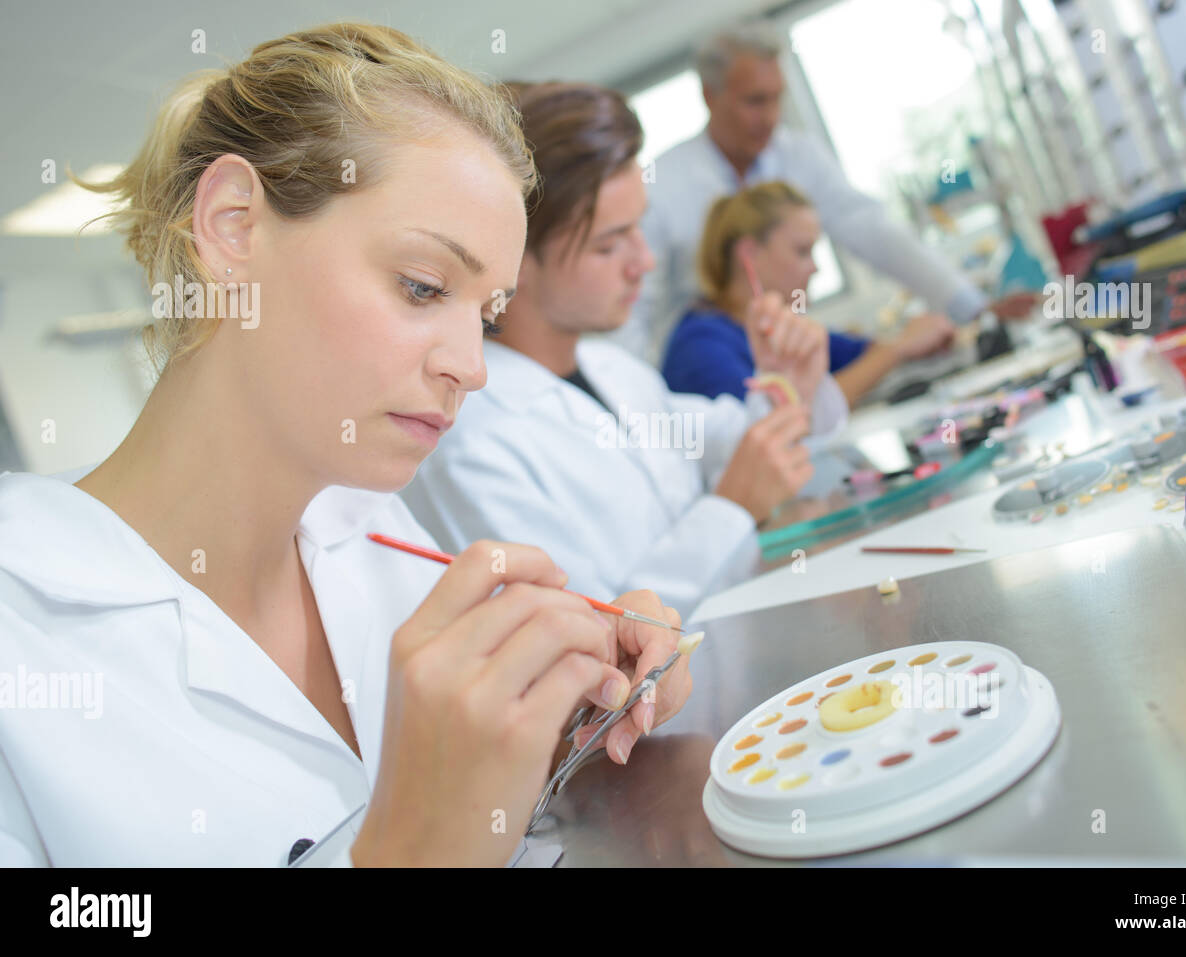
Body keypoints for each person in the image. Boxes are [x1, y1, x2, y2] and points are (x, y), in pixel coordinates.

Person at [0, 22, 693, 868]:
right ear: (232, 228)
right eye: (422, 285)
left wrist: (559, 731)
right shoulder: (22, 629)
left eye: (485, 314)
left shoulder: (377, 538)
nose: (472, 367)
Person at [401, 82, 848, 621]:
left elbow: (732, 441)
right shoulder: (470, 445)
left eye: (639, 229)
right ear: (510, 255)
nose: (644, 262)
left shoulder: (613, 370)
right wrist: (732, 509)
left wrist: (786, 383)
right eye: (610, 244)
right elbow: (590, 635)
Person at [613, 19, 1040, 365]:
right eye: (755, 101)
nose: (770, 117)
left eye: (777, 99)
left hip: (786, 353)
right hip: (712, 361)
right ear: (710, 95)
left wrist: (970, 308)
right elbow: (635, 305)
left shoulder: (799, 155)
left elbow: (875, 231)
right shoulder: (662, 183)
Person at [663, 181, 957, 406]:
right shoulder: (700, 347)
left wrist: (915, 338)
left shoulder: (778, 328)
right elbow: (775, 423)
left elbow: (860, 355)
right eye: (802, 251)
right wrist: (897, 349)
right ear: (749, 254)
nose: (814, 268)